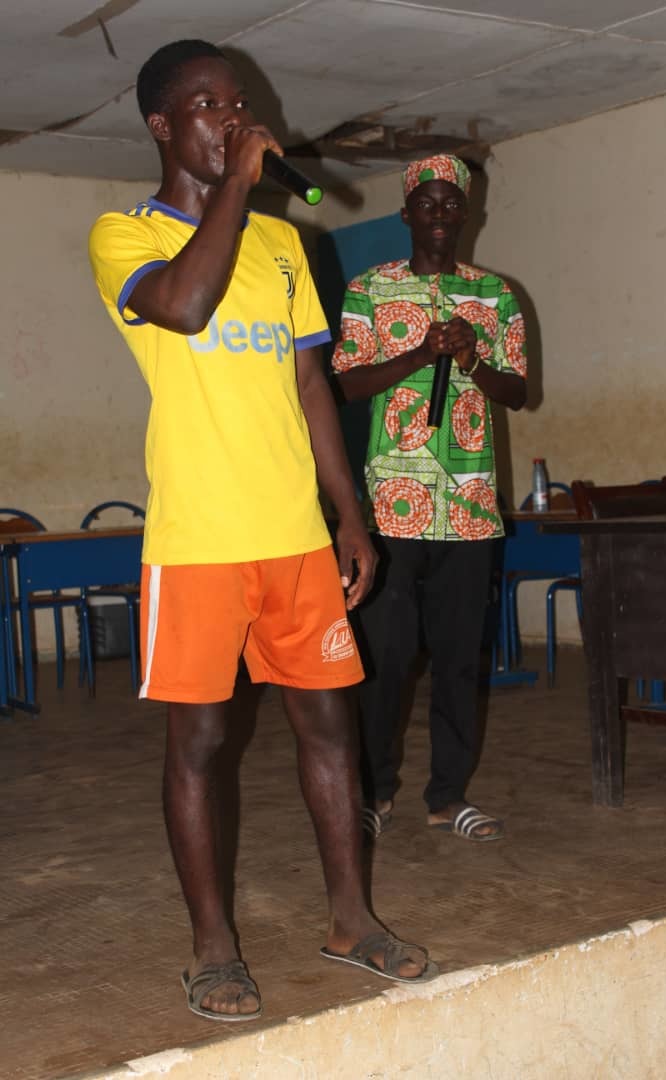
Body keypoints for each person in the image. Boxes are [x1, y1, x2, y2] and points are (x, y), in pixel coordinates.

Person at [88, 39, 437, 1023]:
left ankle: (352, 922)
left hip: (294, 538)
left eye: (238, 103)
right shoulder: (123, 235)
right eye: (208, 105)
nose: (233, 119)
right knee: (200, 742)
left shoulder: (284, 246)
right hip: (197, 540)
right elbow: (186, 304)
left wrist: (349, 512)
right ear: (162, 125)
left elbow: (310, 382)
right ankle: (213, 949)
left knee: (329, 728)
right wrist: (240, 186)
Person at [332, 154, 527, 845]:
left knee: (459, 661)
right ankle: (375, 793)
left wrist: (472, 358)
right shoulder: (370, 289)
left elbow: (517, 392)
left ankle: (449, 796)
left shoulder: (495, 295)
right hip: (392, 505)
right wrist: (420, 354)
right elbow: (346, 384)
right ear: (406, 213)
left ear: (467, 213)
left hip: (470, 508)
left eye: (451, 204)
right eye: (427, 203)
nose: (440, 215)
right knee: (385, 659)